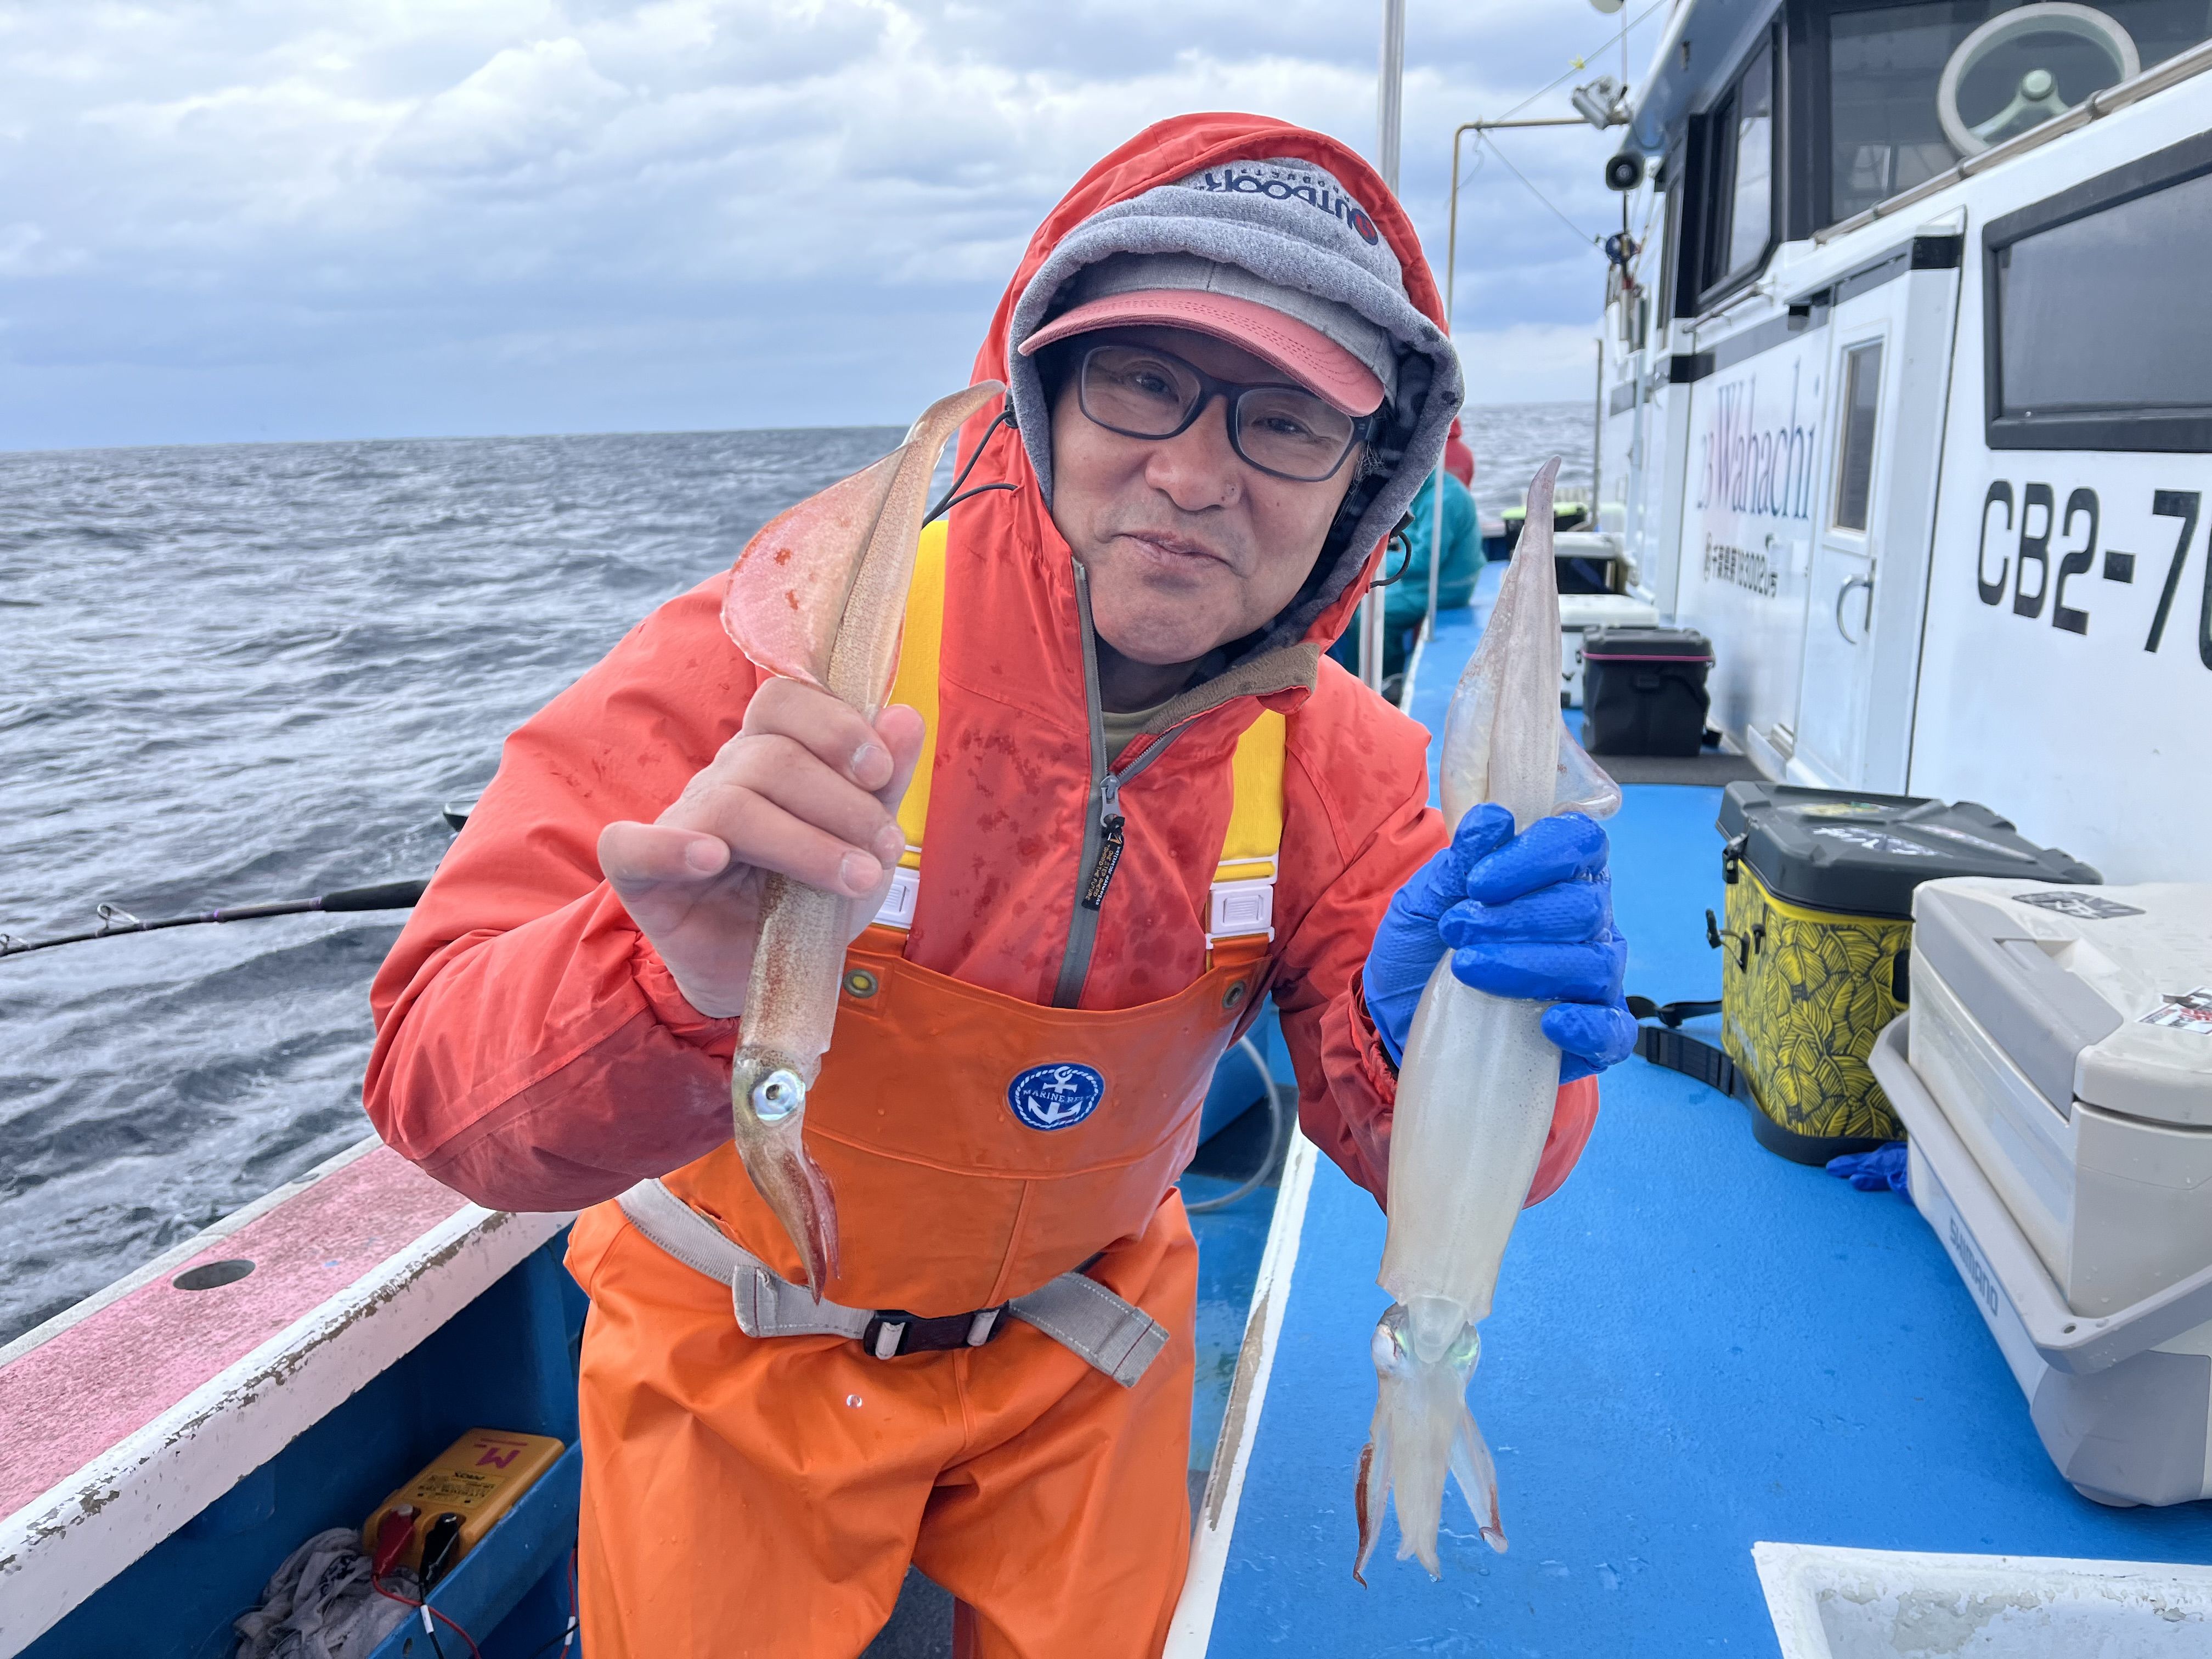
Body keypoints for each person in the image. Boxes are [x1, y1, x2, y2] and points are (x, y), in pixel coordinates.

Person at [364, 113, 1635, 1659]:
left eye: (1287, 421)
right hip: (736, 1346)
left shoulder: (1347, 768)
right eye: (1142, 382)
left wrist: (1448, 1040)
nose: (1193, 475)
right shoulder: (784, 650)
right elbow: (434, 1085)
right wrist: (665, 983)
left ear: (1365, 479)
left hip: (1087, 1346)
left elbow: (1447, 1154)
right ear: (1043, 387)